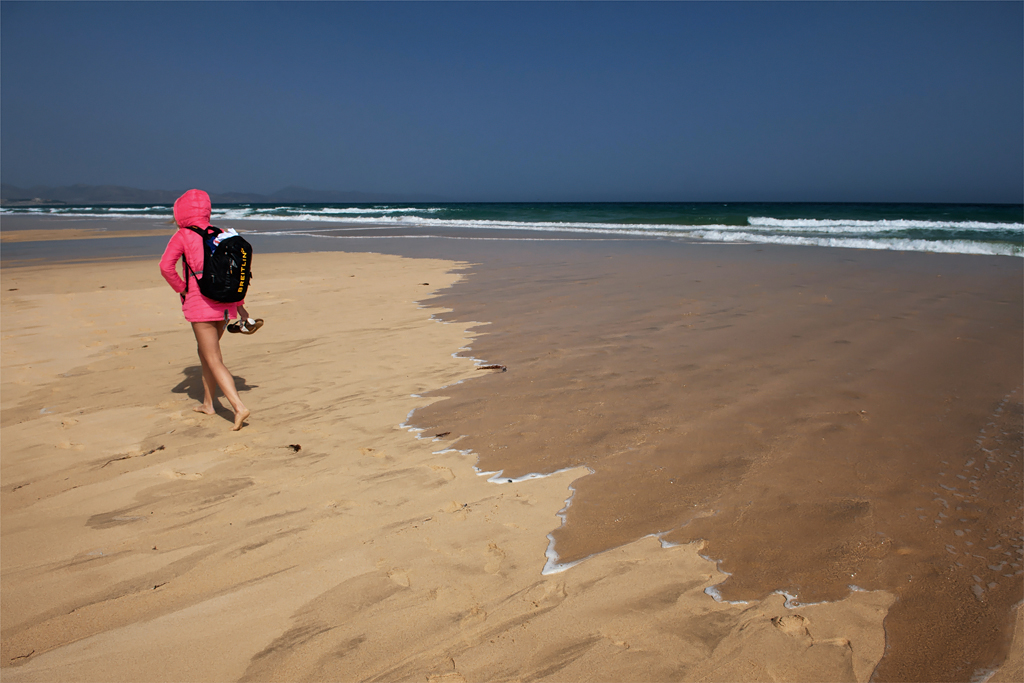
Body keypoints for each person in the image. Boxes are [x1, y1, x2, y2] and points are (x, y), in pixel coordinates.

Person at [159, 189, 250, 430]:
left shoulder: (183, 235)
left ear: (181, 211)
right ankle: (209, 404)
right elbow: (231, 273)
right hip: (225, 302)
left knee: (212, 357)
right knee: (207, 354)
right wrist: (240, 306)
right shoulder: (220, 233)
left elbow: (166, 267)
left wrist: (183, 289)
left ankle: (239, 407)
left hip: (200, 303)